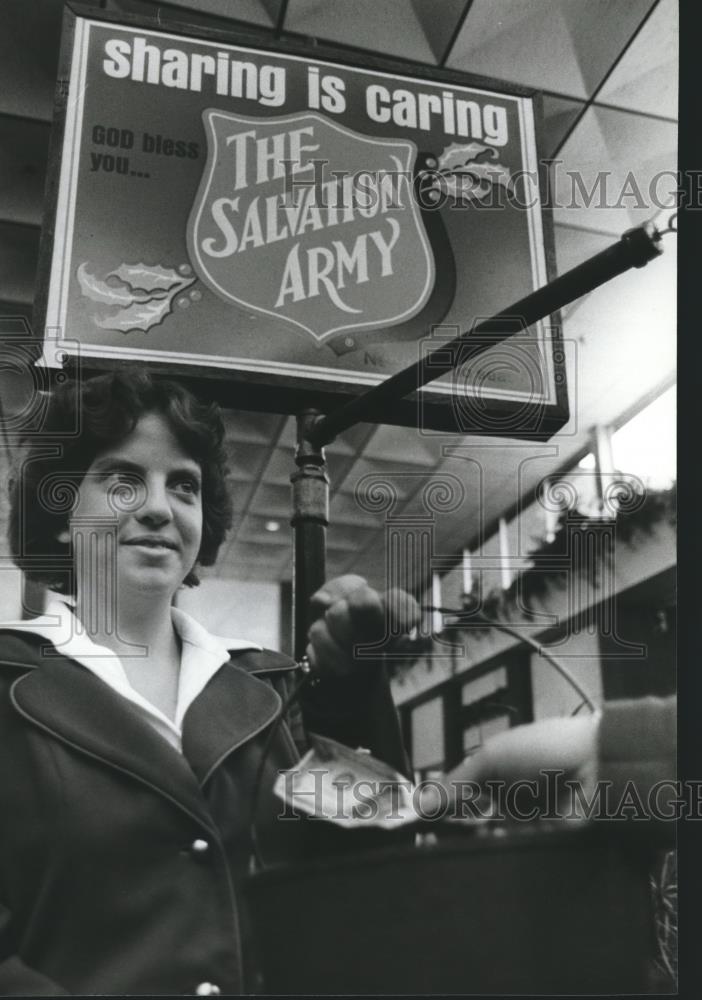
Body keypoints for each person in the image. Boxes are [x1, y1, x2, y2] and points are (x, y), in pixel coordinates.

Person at [0, 368, 420, 996]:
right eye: (122, 481)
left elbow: (368, 879)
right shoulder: (9, 680)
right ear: (61, 510)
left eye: (184, 486)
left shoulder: (273, 690)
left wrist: (351, 698)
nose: (157, 507)